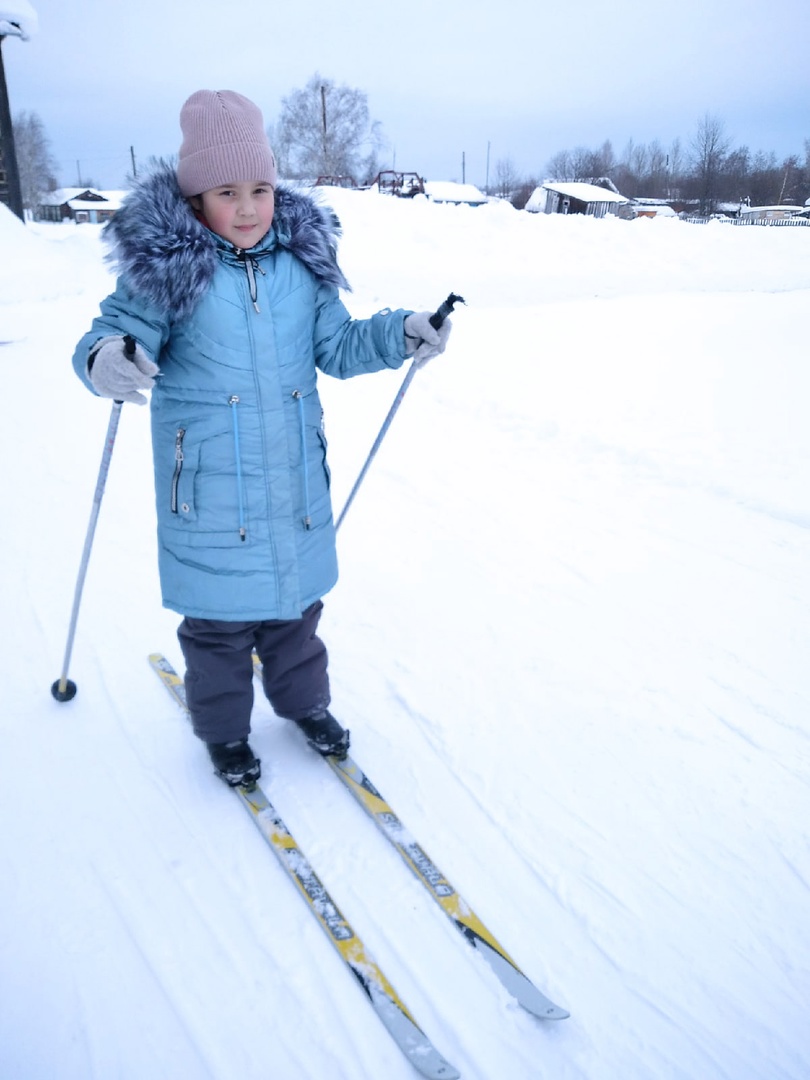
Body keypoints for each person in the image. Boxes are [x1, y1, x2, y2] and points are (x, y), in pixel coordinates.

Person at [72, 89, 451, 788]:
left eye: (260, 189)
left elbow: (338, 344)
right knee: (217, 631)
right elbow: (111, 331)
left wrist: (400, 333)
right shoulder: (168, 271)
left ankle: (305, 706)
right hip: (209, 495)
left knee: (294, 616)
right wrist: (106, 359)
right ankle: (222, 734)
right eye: (227, 191)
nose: (248, 207)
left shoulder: (301, 267)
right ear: (193, 199)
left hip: (294, 484)